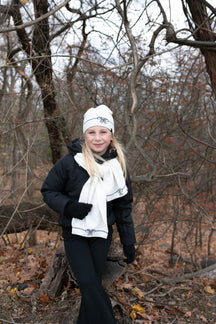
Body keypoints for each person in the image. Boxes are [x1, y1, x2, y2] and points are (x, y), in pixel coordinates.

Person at [41, 104, 136, 324]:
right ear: (85, 134)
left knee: (91, 286)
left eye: (103, 132)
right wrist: (68, 206)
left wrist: (129, 242)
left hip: (102, 234)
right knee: (88, 283)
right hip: (74, 231)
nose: (97, 138)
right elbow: (48, 191)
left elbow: (123, 208)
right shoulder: (70, 163)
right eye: (91, 132)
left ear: (111, 134)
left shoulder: (118, 167)